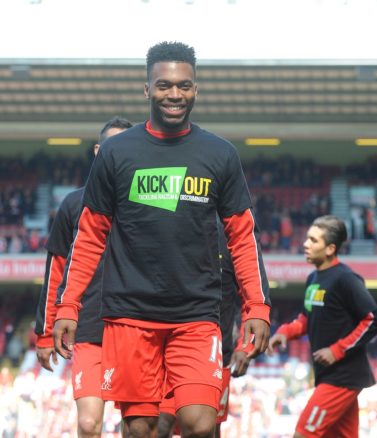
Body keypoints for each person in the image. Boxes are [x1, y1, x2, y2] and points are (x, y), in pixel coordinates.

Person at [53, 41, 271, 438]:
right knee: (141, 429)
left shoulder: (220, 154)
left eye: (184, 86)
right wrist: (68, 306)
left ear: (196, 89)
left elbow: (242, 237)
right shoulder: (117, 153)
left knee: (200, 423)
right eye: (165, 85)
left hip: (196, 315)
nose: (175, 94)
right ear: (147, 89)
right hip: (129, 315)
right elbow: (89, 236)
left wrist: (257, 307)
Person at [35, 117, 133, 438]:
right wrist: (45, 331)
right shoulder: (74, 204)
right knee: (89, 424)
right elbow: (56, 272)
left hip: (135, 330)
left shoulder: (145, 206)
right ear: (97, 151)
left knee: (140, 428)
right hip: (89, 329)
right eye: (110, 148)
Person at [268, 215, 377, 438]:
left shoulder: (346, 279)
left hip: (343, 376)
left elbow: (373, 318)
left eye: (313, 240)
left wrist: (336, 350)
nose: (305, 244)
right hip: (329, 375)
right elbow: (306, 317)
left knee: (303, 433)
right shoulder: (313, 278)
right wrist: (285, 332)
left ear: (330, 248)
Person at [157, 223, 252, 438]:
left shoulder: (232, 239)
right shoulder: (170, 227)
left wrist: (246, 345)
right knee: (160, 426)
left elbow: (250, 297)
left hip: (216, 351)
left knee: (207, 429)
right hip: (169, 344)